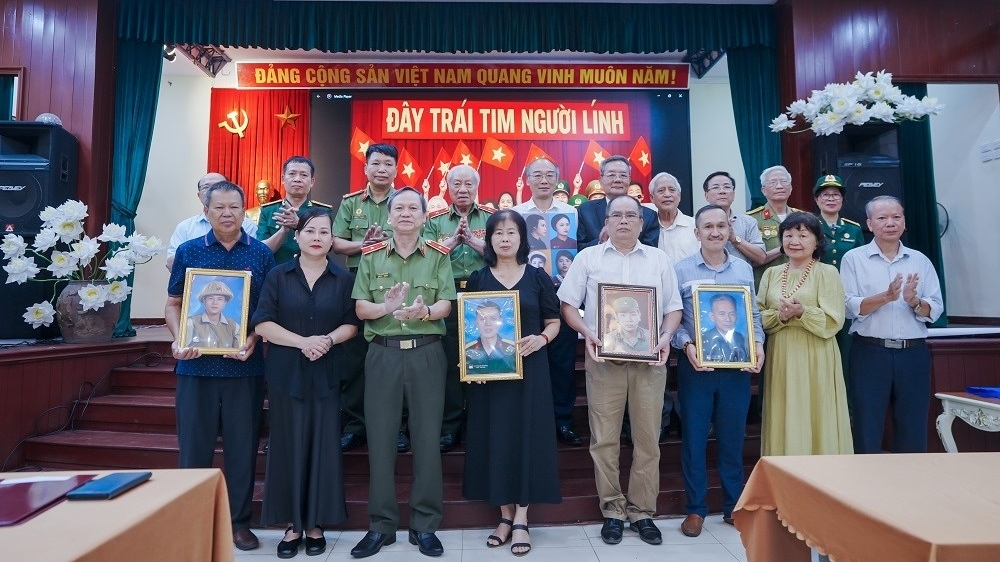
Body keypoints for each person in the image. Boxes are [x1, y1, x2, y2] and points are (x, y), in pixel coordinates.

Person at [558, 194, 682, 547]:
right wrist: (587, 332)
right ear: (607, 222)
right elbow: (568, 304)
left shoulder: (658, 260)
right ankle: (612, 510)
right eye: (617, 215)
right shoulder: (588, 258)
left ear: (642, 223)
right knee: (605, 439)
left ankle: (642, 511)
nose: (624, 221)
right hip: (604, 361)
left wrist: (666, 336)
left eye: (632, 215)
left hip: (649, 363)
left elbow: (673, 308)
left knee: (647, 439)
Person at [164, 181, 276, 551]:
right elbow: (174, 303)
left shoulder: (260, 254)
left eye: (234, 208)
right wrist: (179, 339)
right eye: (219, 208)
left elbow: (266, 312)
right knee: (194, 449)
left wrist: (254, 339)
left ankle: (239, 523)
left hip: (243, 369)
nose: (227, 214)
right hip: (195, 370)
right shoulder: (188, 250)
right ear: (206, 211)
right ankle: (193, 520)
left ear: (245, 211)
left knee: (242, 448)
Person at [350, 187, 455, 559]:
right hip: (383, 355)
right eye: (399, 208)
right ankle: (381, 525)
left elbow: (446, 302)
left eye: (414, 207)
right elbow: (361, 308)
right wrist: (387, 307)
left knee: (427, 440)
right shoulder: (372, 256)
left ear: (425, 216)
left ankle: (425, 525)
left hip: (427, 354)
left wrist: (424, 313)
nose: (406, 213)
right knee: (380, 439)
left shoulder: (439, 256)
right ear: (388, 216)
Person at [251, 208, 360, 558]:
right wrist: (304, 342)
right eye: (310, 231)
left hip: (327, 373)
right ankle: (292, 524)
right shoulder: (278, 275)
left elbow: (351, 325)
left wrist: (325, 341)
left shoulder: (343, 279)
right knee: (287, 447)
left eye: (324, 232)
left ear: (332, 240)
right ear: (297, 237)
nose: (317, 237)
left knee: (324, 447)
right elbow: (262, 323)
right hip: (287, 373)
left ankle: (316, 524)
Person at [463, 210, 562, 556]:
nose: (505, 238)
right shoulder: (478, 278)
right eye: (498, 233)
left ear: (522, 238)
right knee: (495, 438)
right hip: (490, 375)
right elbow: (468, 329)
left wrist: (542, 339)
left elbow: (553, 321)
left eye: (512, 232)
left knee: (526, 437)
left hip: (531, 371)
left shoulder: (538, 277)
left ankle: (522, 516)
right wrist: (472, 362)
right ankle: (504, 515)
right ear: (489, 239)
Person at [673, 204, 764, 538]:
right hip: (696, 366)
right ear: (696, 233)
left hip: (736, 367)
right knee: (694, 439)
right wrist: (686, 344)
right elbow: (674, 317)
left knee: (731, 438)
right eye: (708, 226)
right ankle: (695, 510)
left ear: (729, 230)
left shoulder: (742, 270)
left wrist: (758, 344)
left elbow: (751, 315)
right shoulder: (680, 269)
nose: (715, 232)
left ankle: (732, 506)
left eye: (721, 226)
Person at [841, 195, 943, 454]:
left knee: (913, 427)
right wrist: (885, 297)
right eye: (882, 218)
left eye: (896, 217)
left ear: (904, 222)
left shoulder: (920, 260)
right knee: (867, 426)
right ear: (869, 223)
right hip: (870, 353)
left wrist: (914, 301)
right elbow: (848, 305)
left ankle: (910, 489)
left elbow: (936, 307)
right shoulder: (854, 259)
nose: (890, 223)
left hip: (914, 353)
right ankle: (866, 490)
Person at [757, 211, 852, 456]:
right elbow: (757, 316)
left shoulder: (828, 273)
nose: (794, 241)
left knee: (817, 412)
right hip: (781, 353)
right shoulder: (771, 274)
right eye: (788, 235)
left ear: (817, 241)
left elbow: (834, 320)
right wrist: (781, 316)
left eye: (802, 235)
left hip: (816, 353)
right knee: (784, 411)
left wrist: (802, 313)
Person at [511, 156, 584, 447]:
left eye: (549, 175)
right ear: (527, 179)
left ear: (557, 179)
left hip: (563, 295)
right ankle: (530, 421)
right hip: (526, 293)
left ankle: (563, 421)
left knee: (563, 361)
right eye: (537, 175)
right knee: (527, 357)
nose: (543, 180)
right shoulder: (516, 213)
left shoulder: (572, 214)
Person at [332, 144, 398, 453]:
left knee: (397, 359)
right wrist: (366, 244)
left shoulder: (405, 201)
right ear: (366, 168)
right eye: (376, 163)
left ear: (396, 169)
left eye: (388, 164)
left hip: (398, 286)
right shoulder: (350, 203)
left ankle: (399, 427)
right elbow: (336, 244)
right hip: (359, 286)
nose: (382, 169)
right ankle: (356, 426)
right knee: (356, 359)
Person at [424, 164, 493, 453]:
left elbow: (504, 252)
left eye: (468, 184)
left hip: (484, 296)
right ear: (448, 187)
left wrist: (476, 243)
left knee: (484, 361)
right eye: (457, 184)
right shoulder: (435, 220)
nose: (462, 190)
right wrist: (451, 244)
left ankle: (481, 425)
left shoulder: (492, 217)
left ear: (477, 186)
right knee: (452, 363)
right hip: (448, 297)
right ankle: (451, 427)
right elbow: (425, 257)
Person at [649, 171, 698, 439]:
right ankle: (662, 419)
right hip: (655, 306)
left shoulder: (693, 227)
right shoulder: (645, 226)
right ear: (652, 197)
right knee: (659, 365)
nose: (667, 194)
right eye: (661, 190)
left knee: (690, 364)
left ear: (679, 195)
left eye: (672, 190)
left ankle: (688, 418)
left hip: (690, 306)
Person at [814, 174, 865, 394]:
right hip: (817, 301)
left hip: (846, 301)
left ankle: (846, 406)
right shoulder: (810, 226)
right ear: (817, 200)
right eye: (825, 195)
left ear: (842, 200)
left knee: (846, 354)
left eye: (836, 195)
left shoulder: (854, 230)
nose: (831, 199)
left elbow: (863, 265)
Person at [165, 172, 257, 270]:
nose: (213, 189)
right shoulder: (185, 227)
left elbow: (254, 260)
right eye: (206, 187)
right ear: (199, 194)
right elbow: (172, 264)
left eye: (219, 185)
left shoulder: (247, 225)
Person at [257, 155, 332, 264]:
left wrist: (299, 225)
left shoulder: (322, 212)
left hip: (310, 274)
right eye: (292, 174)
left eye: (303, 175)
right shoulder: (268, 211)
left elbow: (327, 247)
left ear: (312, 181)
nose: (297, 179)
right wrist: (284, 230)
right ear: (283, 179)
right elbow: (261, 251)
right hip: (276, 275)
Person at [577, 156, 659, 250]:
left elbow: (650, 253)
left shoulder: (648, 215)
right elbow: (578, 248)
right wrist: (601, 241)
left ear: (629, 180)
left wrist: (625, 241)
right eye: (611, 175)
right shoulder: (585, 211)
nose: (617, 180)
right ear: (601, 180)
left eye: (623, 175)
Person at [748, 165, 801, 285]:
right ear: (763, 190)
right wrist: (782, 249)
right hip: (765, 286)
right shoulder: (751, 219)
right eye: (773, 182)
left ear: (791, 188)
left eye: (784, 181)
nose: (779, 186)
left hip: (799, 284)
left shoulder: (804, 218)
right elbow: (747, 261)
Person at [701, 171, 766, 266]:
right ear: (706, 195)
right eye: (715, 187)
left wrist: (734, 238)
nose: (722, 191)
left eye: (727, 187)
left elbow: (761, 258)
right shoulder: (694, 222)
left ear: (733, 194)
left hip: (739, 279)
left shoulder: (748, 222)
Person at [464, 300, 517, 375]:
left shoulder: (513, 349)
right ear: (476, 322)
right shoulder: (466, 350)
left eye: (493, 319)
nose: (488, 323)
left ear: (500, 321)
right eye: (482, 319)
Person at [183, 280, 241, 349]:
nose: (215, 303)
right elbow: (183, 349)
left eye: (220, 299)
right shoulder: (191, 323)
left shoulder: (234, 326)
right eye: (210, 298)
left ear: (225, 302)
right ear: (204, 300)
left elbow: (238, 351)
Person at [700, 294, 750, 363]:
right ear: (712, 316)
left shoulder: (744, 339)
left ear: (736, 316)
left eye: (732, 314)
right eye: (722, 314)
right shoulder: (703, 340)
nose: (728, 319)